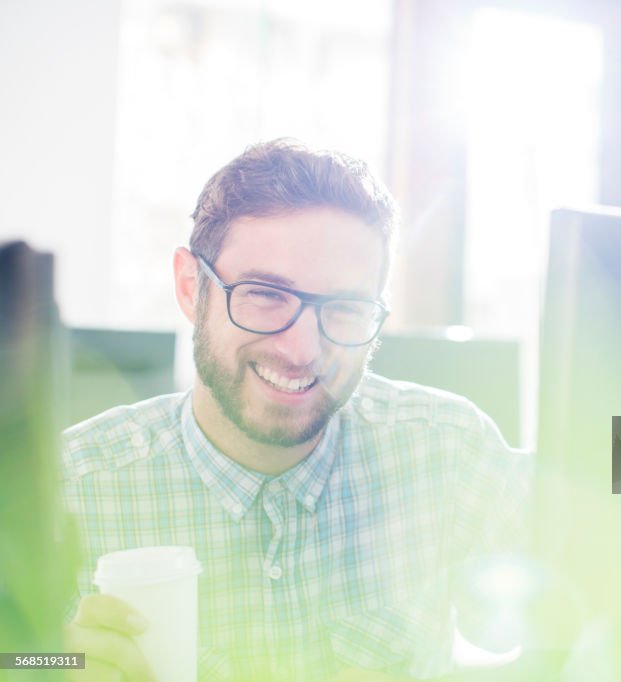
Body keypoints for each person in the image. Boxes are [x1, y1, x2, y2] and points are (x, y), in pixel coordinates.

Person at [61, 139, 531, 681]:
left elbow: (604, 498)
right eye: (265, 294)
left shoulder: (445, 447)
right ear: (192, 288)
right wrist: (47, 661)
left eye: (347, 307)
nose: (302, 350)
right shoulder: (66, 484)